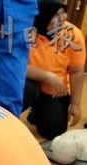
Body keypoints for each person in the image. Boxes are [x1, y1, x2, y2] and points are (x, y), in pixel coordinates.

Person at [23, 0, 85, 140]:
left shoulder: (73, 34)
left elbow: (76, 71)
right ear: (43, 15)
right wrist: (47, 76)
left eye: (64, 12)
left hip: (54, 90)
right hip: (27, 81)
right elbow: (15, 66)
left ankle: (36, 112)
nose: (63, 18)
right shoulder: (25, 31)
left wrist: (75, 105)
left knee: (54, 130)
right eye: (56, 14)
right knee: (27, 90)